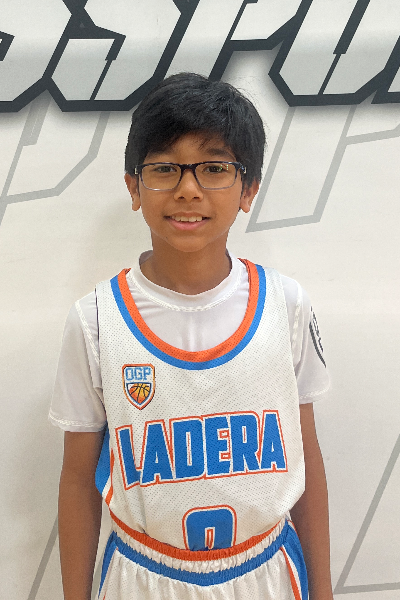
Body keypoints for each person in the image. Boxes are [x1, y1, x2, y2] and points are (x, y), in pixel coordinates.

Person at [50, 72, 333, 600]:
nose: (188, 189)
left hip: (266, 572)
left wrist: (324, 591)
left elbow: (306, 458)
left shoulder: (286, 304)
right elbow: (76, 479)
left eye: (214, 168)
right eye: (164, 168)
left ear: (248, 189)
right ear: (133, 186)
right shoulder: (95, 319)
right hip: (142, 576)